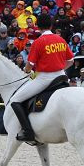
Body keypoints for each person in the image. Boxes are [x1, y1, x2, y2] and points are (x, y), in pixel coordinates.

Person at [9, 13, 73, 141]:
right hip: (62, 76)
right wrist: (60, 68)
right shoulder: (60, 39)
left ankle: (28, 132)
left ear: (38, 26)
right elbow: (71, 60)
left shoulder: (38, 42)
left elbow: (30, 65)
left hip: (45, 78)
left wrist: (26, 71)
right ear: (51, 25)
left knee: (15, 100)